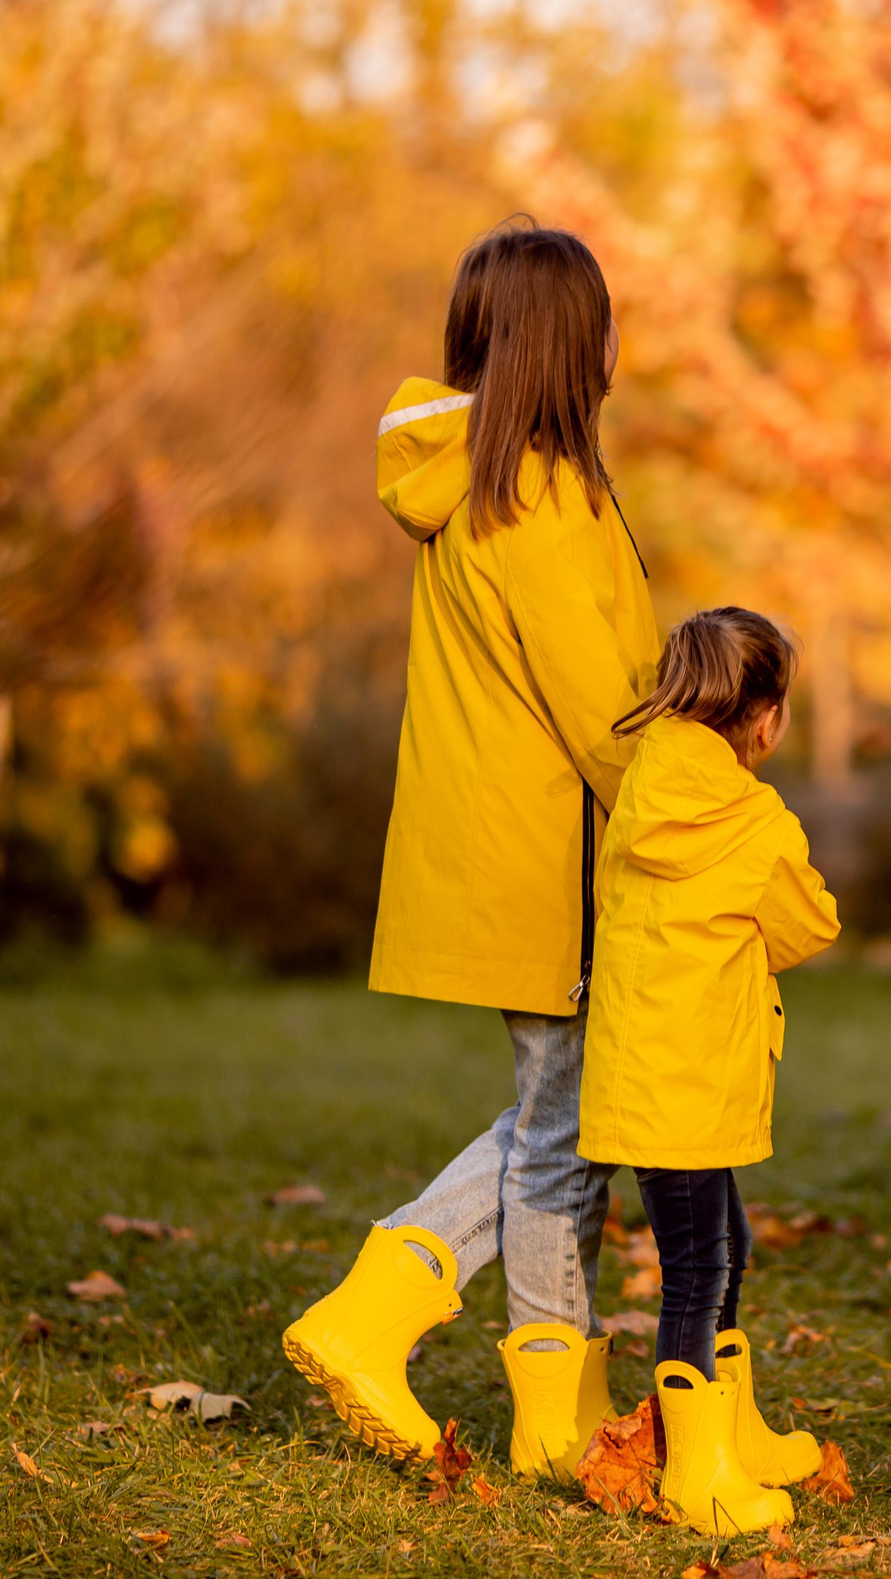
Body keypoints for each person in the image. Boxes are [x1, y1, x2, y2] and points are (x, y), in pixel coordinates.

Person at [282, 221, 657, 1483]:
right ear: (571, 344)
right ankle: (378, 1299)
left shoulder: (483, 490)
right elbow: (605, 717)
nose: (620, 337)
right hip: (551, 861)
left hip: (499, 850)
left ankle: (553, 1422)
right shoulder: (542, 507)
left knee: (564, 1122)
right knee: (563, 1128)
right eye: (605, 315)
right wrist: (690, 836)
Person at [577, 608, 842, 1534]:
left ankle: (734, 1430)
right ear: (763, 719)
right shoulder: (753, 818)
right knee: (697, 1268)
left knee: (724, 1245)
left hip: (643, 1074)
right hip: (695, 1079)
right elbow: (808, 926)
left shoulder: (641, 786)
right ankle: (696, 1471)